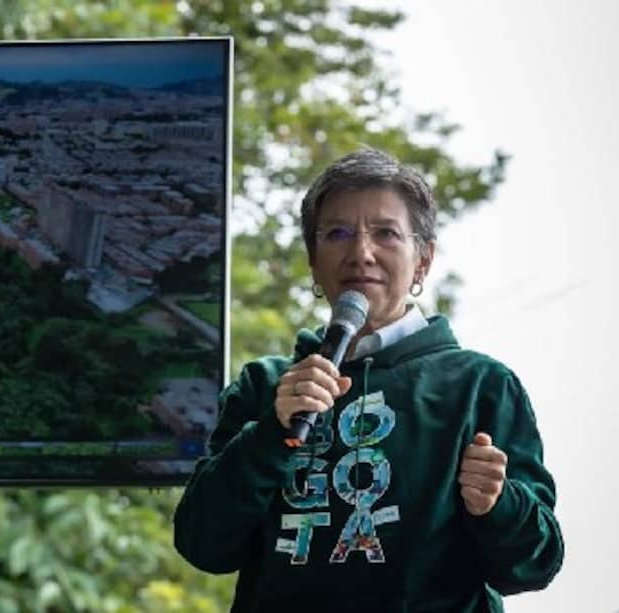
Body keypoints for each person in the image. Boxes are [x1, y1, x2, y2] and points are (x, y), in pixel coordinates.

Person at [173, 148, 563, 612]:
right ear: (314, 263)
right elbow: (203, 545)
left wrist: (498, 505)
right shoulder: (266, 386)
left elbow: (536, 565)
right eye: (337, 233)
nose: (361, 253)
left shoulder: (480, 385)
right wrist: (270, 437)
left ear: (422, 260)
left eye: (386, 233)